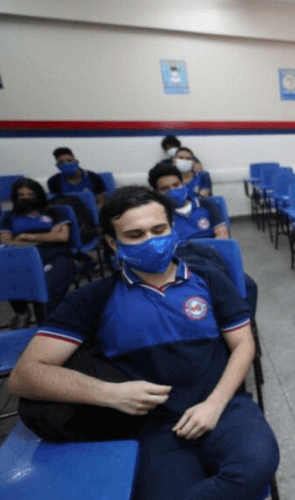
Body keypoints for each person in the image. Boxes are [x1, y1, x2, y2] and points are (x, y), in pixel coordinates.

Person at [9, 186, 279, 500]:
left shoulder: (209, 279)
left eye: (159, 230)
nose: (151, 241)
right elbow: (25, 376)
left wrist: (214, 404)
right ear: (112, 242)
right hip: (155, 426)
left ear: (172, 229)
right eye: (135, 235)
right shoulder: (92, 298)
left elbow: (244, 345)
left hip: (223, 406)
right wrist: (108, 393)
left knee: (256, 465)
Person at [149, 163, 258, 320]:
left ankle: (244, 325)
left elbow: (222, 237)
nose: (173, 190)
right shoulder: (158, 215)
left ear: (183, 183)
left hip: (211, 258)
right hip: (179, 265)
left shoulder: (207, 204)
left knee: (248, 286)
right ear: (157, 193)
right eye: (165, 189)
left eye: (176, 185)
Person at [0, 178, 76, 327]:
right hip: (21, 258)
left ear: (39, 195)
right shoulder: (9, 217)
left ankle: (47, 323)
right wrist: (46, 237)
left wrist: (28, 237)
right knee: (6, 275)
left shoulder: (55, 212)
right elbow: (6, 241)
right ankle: (22, 312)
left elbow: (62, 237)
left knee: (45, 286)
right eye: (21, 195)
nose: (25, 198)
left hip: (55, 256)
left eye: (30, 194)